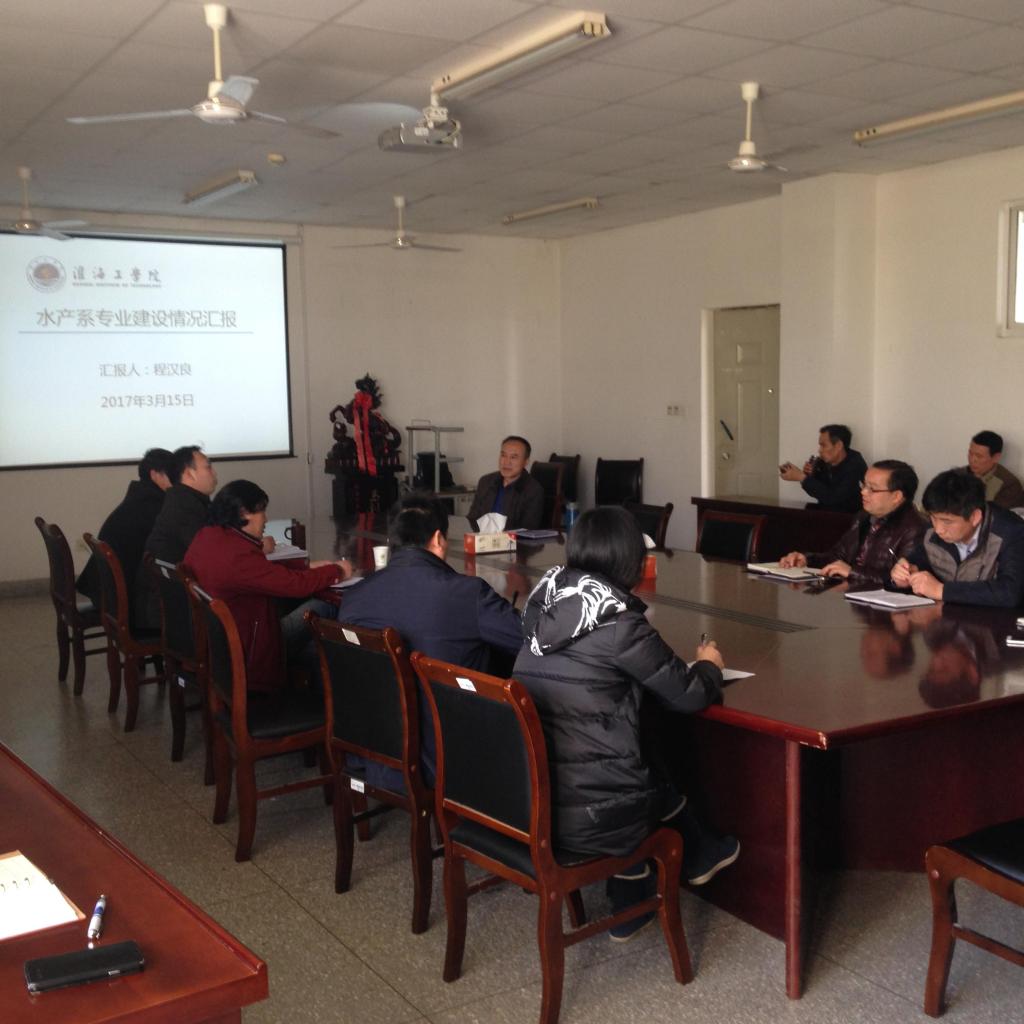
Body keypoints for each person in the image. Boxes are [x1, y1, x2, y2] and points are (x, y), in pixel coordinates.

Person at [513, 506, 739, 940]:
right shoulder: (619, 624)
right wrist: (710, 665)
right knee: (649, 747)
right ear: (634, 562)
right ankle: (684, 859)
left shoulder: (542, 607)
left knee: (636, 738)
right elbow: (689, 694)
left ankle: (642, 889)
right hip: (593, 814)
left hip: (533, 798)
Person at [336, 492, 523, 788]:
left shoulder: (354, 597)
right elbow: (527, 640)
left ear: (391, 539)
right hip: (448, 758)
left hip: (374, 751)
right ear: (438, 539)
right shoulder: (466, 594)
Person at [184, 480, 350, 693]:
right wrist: (338, 571)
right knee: (325, 607)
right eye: (262, 511)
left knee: (314, 644)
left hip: (221, 646)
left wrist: (306, 566)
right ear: (244, 513)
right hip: (250, 650)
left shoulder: (208, 536)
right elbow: (295, 585)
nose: (266, 519)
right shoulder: (237, 556)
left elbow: (262, 571)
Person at [891, 468, 1024, 607]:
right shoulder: (932, 531)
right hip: (946, 616)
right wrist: (903, 576)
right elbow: (917, 564)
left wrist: (942, 591)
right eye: (933, 518)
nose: (938, 529)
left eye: (947, 521)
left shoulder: (1012, 532)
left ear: (975, 517)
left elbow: (1010, 593)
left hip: (996, 620)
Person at [778, 460, 925, 586]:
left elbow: (901, 580)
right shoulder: (863, 517)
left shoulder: (915, 529)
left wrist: (852, 572)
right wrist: (806, 559)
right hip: (853, 595)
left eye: (872, 489)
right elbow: (837, 557)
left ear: (896, 496)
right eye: (864, 485)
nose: (863, 492)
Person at [76, 447, 174, 627]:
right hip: (127, 605)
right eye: (173, 474)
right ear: (155, 475)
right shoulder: (154, 507)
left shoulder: (139, 498)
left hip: (107, 595)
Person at [779, 424, 868, 513]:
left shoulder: (854, 463)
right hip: (826, 512)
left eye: (823, 445)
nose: (820, 450)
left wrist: (802, 477)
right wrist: (809, 476)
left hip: (849, 515)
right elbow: (818, 493)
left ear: (839, 445)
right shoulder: (822, 462)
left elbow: (833, 497)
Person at [466, 435, 544, 530]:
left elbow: (527, 529)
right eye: (503, 455)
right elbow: (472, 518)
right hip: (481, 537)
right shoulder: (486, 482)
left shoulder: (533, 490)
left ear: (525, 462)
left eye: (513, 457)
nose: (506, 462)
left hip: (513, 539)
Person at [962, 430, 1024, 510]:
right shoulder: (958, 474)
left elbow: (996, 515)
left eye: (979, 456)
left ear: (996, 457)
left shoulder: (1009, 485)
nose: (972, 460)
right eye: (970, 453)